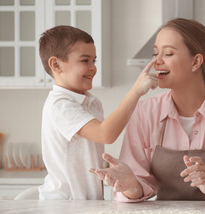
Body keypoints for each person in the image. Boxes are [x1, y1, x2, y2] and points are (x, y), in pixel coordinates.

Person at [89, 18, 205, 202]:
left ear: (196, 62)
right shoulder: (145, 112)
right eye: (155, 53)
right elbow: (137, 185)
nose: (157, 61)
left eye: (168, 53)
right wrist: (131, 186)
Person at [38, 25, 158, 200]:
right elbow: (105, 134)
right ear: (56, 64)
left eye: (94, 61)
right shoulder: (60, 105)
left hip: (88, 203)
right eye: (84, 60)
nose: (93, 67)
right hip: (64, 204)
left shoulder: (92, 102)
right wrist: (136, 91)